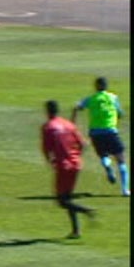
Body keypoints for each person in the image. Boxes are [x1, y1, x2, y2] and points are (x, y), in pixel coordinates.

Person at [41, 99, 95, 239]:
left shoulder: (48, 127)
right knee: (68, 198)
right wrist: (76, 157)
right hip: (76, 164)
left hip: (63, 166)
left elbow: (46, 149)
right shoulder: (69, 124)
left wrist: (50, 162)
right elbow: (83, 144)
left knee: (62, 201)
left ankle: (87, 211)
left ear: (47, 111)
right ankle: (76, 231)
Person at [71, 76, 130, 196]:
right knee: (121, 160)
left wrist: (73, 120)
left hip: (95, 133)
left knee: (103, 154)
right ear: (106, 86)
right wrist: (116, 116)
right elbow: (120, 113)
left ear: (96, 86)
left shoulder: (91, 99)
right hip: (110, 131)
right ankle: (125, 190)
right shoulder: (113, 97)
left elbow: (77, 106)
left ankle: (107, 165)